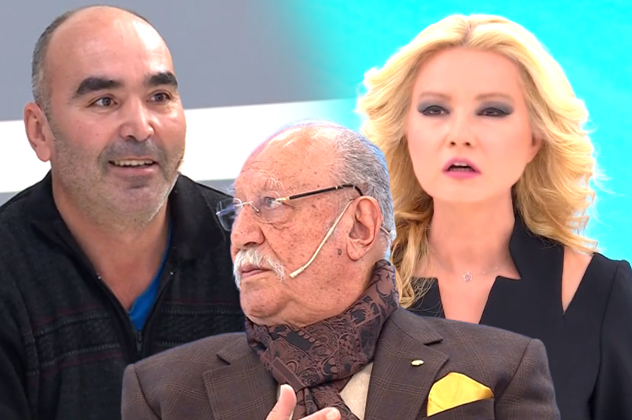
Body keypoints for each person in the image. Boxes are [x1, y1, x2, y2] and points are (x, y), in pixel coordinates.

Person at [121, 121, 560, 420]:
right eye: (237, 212)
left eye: (270, 205)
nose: (242, 236)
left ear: (359, 226)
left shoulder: (501, 369)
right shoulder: (163, 393)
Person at [356, 13, 632, 420]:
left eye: (492, 111)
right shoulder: (355, 286)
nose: (459, 135)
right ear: (404, 131)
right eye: (435, 109)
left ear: (536, 137)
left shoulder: (600, 292)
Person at [0, 6, 244, 420]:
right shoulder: (9, 270)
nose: (140, 127)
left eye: (159, 97)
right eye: (104, 101)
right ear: (40, 131)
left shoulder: (251, 246)